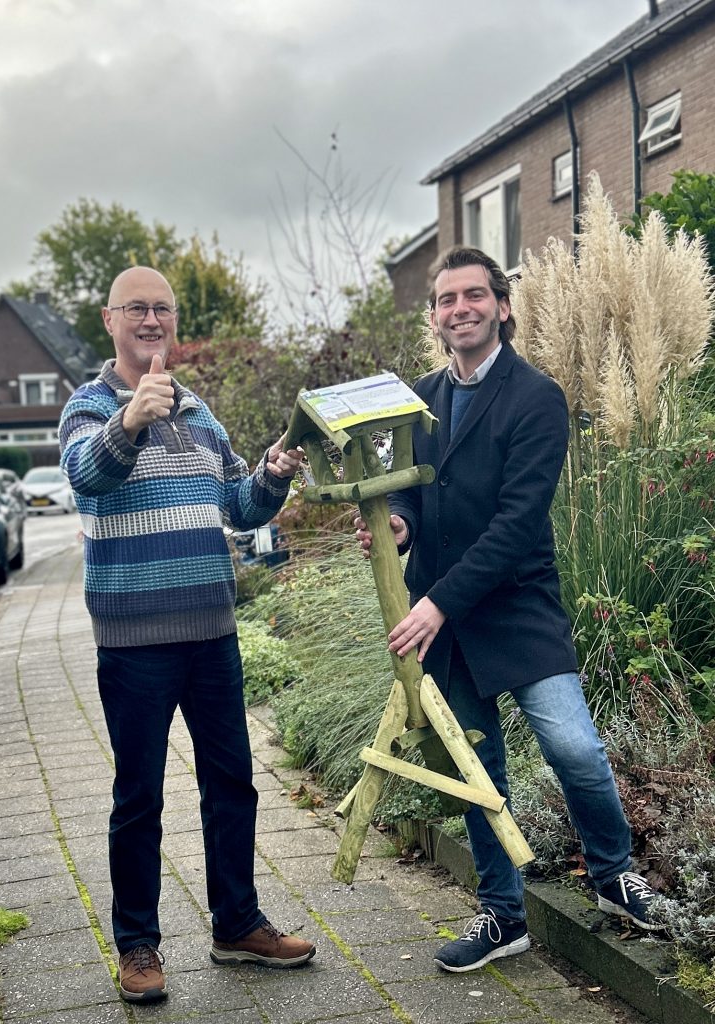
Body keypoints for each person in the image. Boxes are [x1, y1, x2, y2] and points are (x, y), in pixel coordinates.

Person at [354, 245, 663, 974]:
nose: (459, 308)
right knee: (477, 768)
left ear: (501, 305)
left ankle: (615, 873)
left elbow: (518, 524)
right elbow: (408, 486)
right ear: (434, 316)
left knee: (574, 749)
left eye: (472, 295)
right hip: (446, 619)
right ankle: (503, 916)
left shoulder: (536, 396)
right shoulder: (421, 397)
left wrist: (431, 603)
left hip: (515, 607)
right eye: (445, 299)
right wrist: (399, 520)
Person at [59, 266, 315, 1003]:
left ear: (174, 321)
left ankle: (237, 924)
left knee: (232, 782)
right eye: (135, 308)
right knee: (139, 795)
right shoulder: (86, 406)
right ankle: (138, 946)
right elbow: (86, 477)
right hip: (134, 639)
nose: (150, 319)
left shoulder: (200, 410)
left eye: (161, 309)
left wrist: (272, 470)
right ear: (109, 321)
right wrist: (132, 417)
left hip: (211, 632)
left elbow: (239, 506)